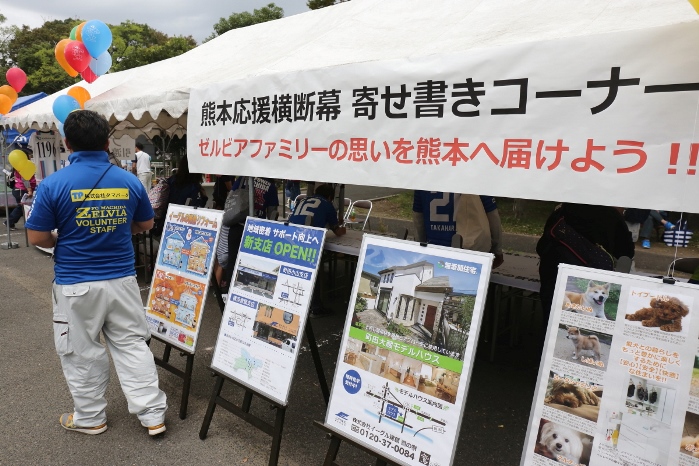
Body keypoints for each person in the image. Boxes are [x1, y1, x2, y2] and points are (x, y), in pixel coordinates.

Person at [25, 110, 167, 436]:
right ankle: (153, 416)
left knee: (81, 351)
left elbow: (37, 237)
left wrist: (62, 239)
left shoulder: (53, 184)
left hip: (75, 284)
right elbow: (146, 223)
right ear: (106, 143)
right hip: (123, 281)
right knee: (133, 346)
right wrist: (119, 229)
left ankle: (90, 418)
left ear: (67, 143)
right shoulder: (129, 181)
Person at [537, 203, 634, 336]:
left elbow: (542, 244)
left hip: (553, 270)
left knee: (550, 321)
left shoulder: (564, 208)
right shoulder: (611, 215)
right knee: (586, 328)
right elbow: (626, 253)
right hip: (592, 272)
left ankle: (548, 342)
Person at [289, 183, 346, 317]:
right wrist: (343, 229)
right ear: (330, 197)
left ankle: (293, 301)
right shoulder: (327, 204)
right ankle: (315, 307)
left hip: (291, 237)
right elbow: (337, 231)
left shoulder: (303, 200)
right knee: (313, 273)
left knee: (295, 271)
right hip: (309, 240)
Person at [412, 191, 504, 268]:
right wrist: (497, 250)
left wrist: (420, 248)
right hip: (469, 251)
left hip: (434, 249)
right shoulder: (475, 179)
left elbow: (418, 220)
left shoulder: (424, 181)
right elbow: (493, 217)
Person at [4, 146, 36, 230]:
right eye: (29, 154)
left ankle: (10, 223)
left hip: (18, 189)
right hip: (21, 190)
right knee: (21, 207)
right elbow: (25, 179)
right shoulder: (24, 166)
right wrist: (29, 190)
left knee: (22, 207)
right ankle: (9, 222)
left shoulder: (18, 166)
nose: (31, 156)